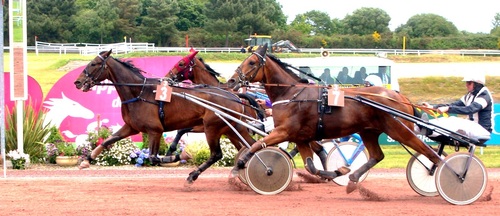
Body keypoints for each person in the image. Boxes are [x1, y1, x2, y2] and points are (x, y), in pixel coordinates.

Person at [420, 74, 493, 141]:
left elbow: (470, 110)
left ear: (477, 84)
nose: (466, 85)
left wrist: (448, 109)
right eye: (466, 82)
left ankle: (429, 129)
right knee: (448, 121)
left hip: (482, 131)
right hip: (473, 128)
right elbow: (454, 105)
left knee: (453, 120)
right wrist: (433, 107)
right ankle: (425, 126)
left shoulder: (484, 96)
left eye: (469, 83)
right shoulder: (469, 95)